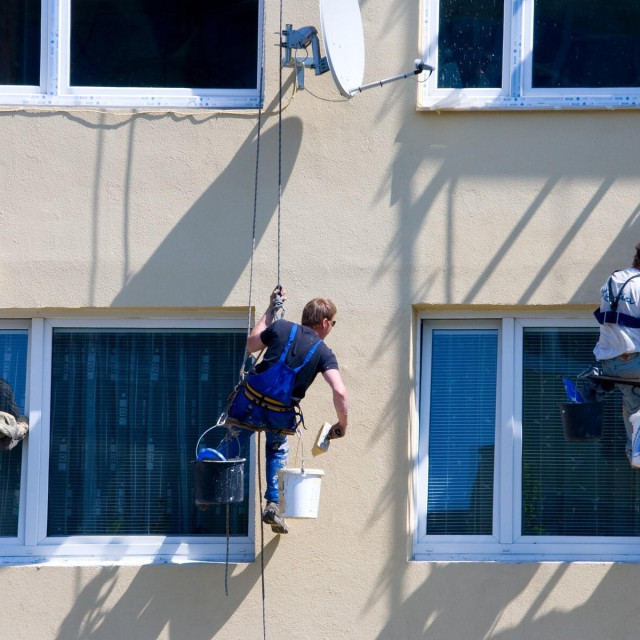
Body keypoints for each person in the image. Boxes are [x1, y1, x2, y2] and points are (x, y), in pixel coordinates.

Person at [220, 286, 349, 533]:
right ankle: (273, 504)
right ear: (324, 322)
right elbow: (340, 391)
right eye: (333, 322)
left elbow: (251, 344)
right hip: (279, 412)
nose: (331, 327)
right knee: (277, 448)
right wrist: (342, 424)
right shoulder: (323, 353)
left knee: (235, 438)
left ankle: (211, 477)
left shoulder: (280, 328)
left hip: (248, 402)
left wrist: (270, 309)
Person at [593, 243, 640, 467]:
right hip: (633, 361)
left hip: (609, 363)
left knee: (633, 399)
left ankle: (635, 452)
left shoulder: (613, 280)